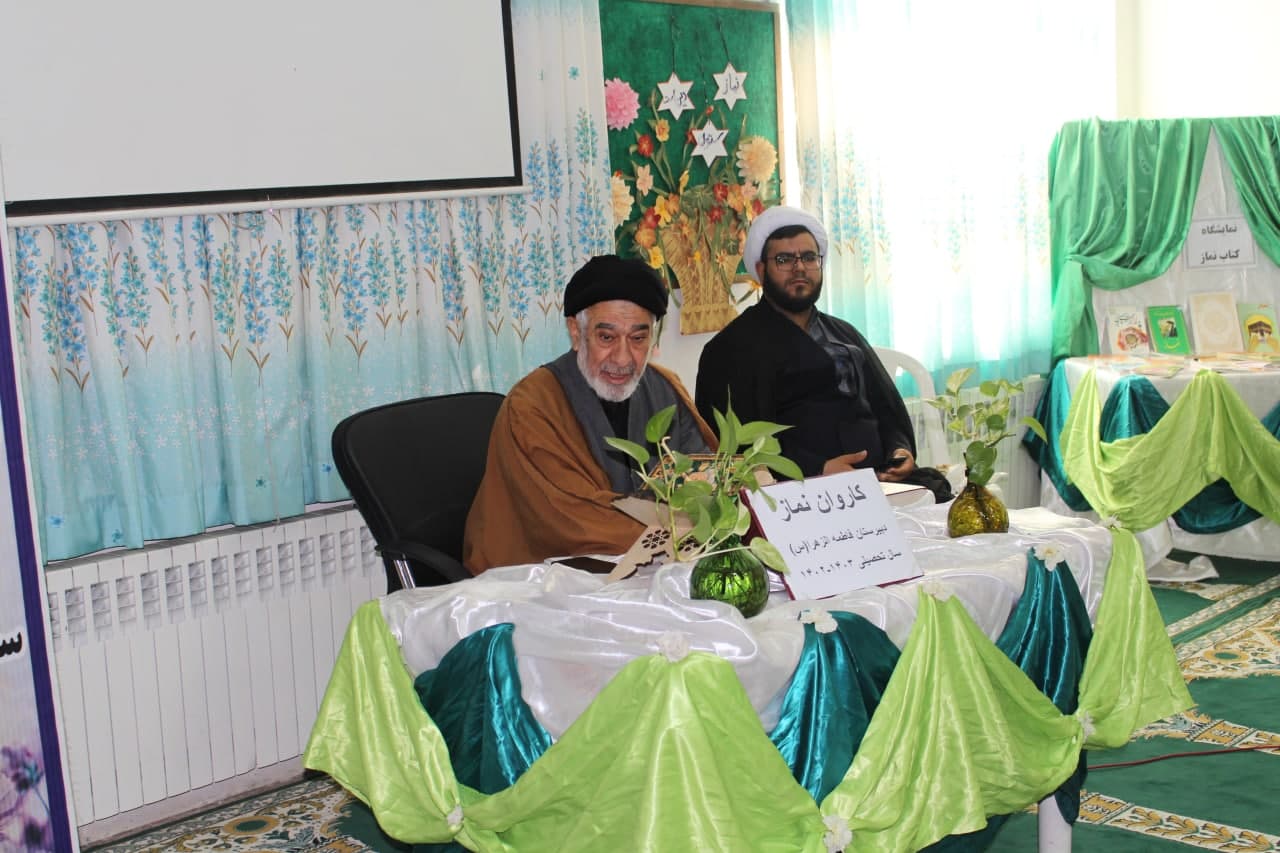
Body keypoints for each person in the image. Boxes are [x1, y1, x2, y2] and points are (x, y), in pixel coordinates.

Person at [463, 255, 715, 573]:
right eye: (606, 338)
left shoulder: (665, 389)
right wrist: (684, 530)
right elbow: (571, 522)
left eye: (638, 338)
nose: (623, 358)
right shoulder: (531, 407)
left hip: (651, 564)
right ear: (575, 331)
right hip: (545, 574)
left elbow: (704, 477)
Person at [695, 205, 952, 502]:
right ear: (762, 270)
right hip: (800, 494)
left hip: (880, 482)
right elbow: (735, 445)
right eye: (784, 259)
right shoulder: (732, 348)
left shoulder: (843, 333)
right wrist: (817, 469)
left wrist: (899, 449)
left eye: (808, 257)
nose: (799, 268)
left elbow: (886, 406)